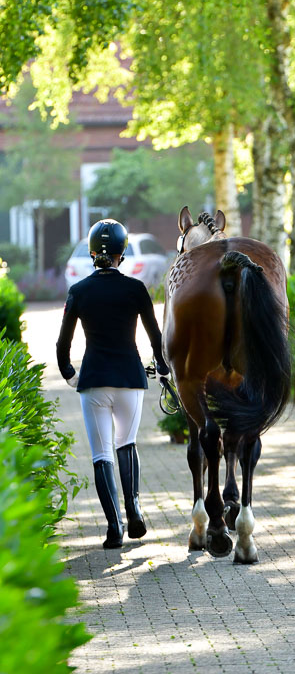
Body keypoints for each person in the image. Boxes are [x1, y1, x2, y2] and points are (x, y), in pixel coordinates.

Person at [56, 218, 170, 549]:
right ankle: (134, 511)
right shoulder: (136, 289)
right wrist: (162, 368)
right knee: (126, 443)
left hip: (94, 381)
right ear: (123, 252)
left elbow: (63, 345)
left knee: (101, 454)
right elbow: (156, 337)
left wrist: (70, 374)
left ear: (92, 253)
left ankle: (114, 527)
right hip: (130, 379)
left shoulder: (78, 291)